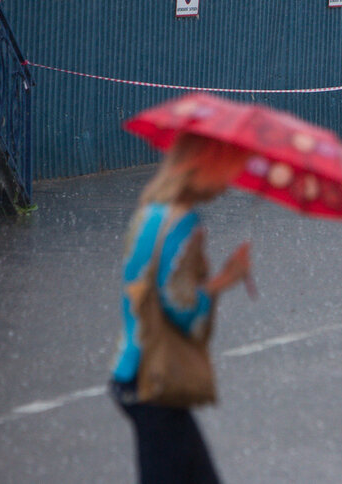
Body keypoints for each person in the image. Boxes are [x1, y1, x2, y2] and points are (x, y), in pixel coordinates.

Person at [110, 133, 253, 484]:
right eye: (223, 172)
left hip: (132, 369)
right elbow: (183, 310)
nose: (226, 186)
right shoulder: (185, 224)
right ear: (199, 169)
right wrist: (225, 279)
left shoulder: (149, 214)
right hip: (155, 380)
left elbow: (146, 289)